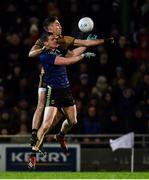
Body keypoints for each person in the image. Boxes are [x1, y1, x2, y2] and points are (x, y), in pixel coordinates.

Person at [29, 15, 114, 154]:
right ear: (49, 28)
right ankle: (34, 140)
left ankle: (56, 136)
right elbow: (31, 54)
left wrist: (102, 41)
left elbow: (76, 49)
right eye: (57, 24)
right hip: (47, 82)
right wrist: (44, 49)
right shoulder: (43, 44)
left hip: (64, 86)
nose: (60, 26)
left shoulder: (61, 41)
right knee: (43, 111)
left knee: (70, 120)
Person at [28, 32, 96, 169]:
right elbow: (69, 61)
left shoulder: (59, 49)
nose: (55, 40)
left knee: (73, 121)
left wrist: (86, 45)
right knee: (46, 123)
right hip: (53, 91)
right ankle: (33, 156)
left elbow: (72, 53)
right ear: (45, 43)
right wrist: (82, 56)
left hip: (66, 90)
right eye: (52, 39)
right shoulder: (45, 55)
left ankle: (60, 136)